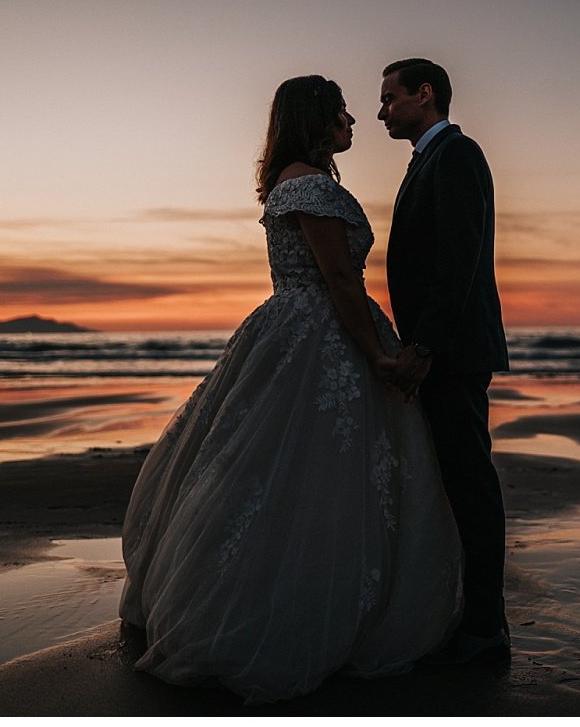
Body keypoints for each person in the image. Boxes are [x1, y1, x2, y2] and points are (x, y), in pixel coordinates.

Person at [119, 75, 461, 704]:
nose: (353, 121)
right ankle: (287, 615)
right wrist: (378, 356)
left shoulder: (300, 180)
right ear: (314, 120)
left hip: (293, 328)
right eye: (341, 113)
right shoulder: (308, 184)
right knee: (310, 474)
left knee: (277, 471)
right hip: (321, 335)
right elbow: (338, 280)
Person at [378, 58, 510, 665]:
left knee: (470, 484)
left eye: (390, 98)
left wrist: (426, 347)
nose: (382, 110)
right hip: (442, 348)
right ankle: (464, 612)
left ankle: (485, 627)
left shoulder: (457, 155)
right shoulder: (428, 160)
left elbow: (458, 264)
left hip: (452, 353)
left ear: (424, 96)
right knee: (453, 481)